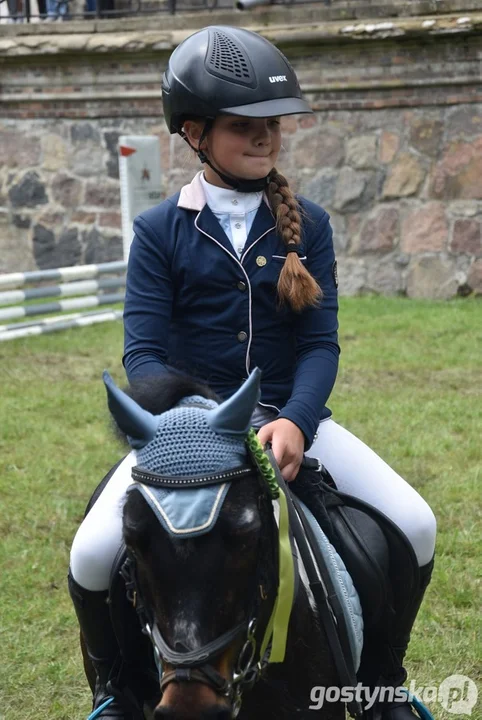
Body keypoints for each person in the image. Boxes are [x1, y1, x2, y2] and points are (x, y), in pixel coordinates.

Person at [68, 25, 436, 720]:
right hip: (183, 438)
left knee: (415, 524)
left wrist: (296, 418)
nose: (265, 138)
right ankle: (117, 692)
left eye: (274, 125)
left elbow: (321, 346)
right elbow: (143, 354)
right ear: (196, 134)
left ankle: (383, 686)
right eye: (245, 127)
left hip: (288, 425)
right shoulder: (159, 231)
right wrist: (187, 426)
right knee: (91, 553)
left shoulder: (311, 226)